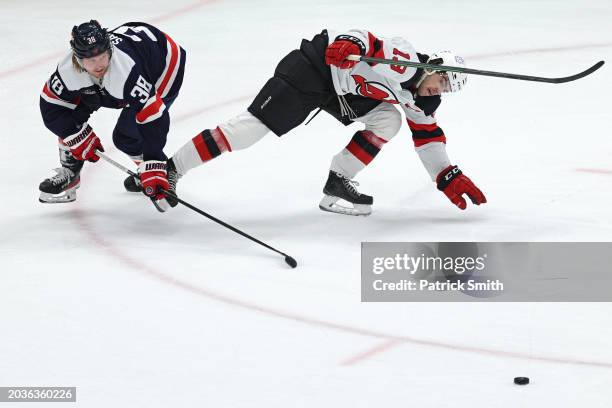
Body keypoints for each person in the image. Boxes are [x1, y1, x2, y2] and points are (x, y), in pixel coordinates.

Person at [169, 28, 486, 216]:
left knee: (388, 119)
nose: (440, 89)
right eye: (442, 80)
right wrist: (351, 44)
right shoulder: (405, 62)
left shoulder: (421, 100)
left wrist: (446, 175)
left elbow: (428, 137)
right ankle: (171, 168)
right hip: (314, 68)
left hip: (342, 93)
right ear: (432, 66)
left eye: (447, 89)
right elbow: (367, 40)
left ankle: (339, 178)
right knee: (249, 131)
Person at [39, 20, 186, 212]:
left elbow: (153, 117)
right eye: (91, 60)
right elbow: (51, 106)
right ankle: (71, 173)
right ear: (77, 59)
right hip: (123, 73)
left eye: (102, 56)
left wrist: (153, 161)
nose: (99, 65)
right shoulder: (67, 71)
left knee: (126, 137)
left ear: (109, 49)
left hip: (162, 64)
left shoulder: (125, 71)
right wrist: (75, 136)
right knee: (69, 116)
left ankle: (164, 173)